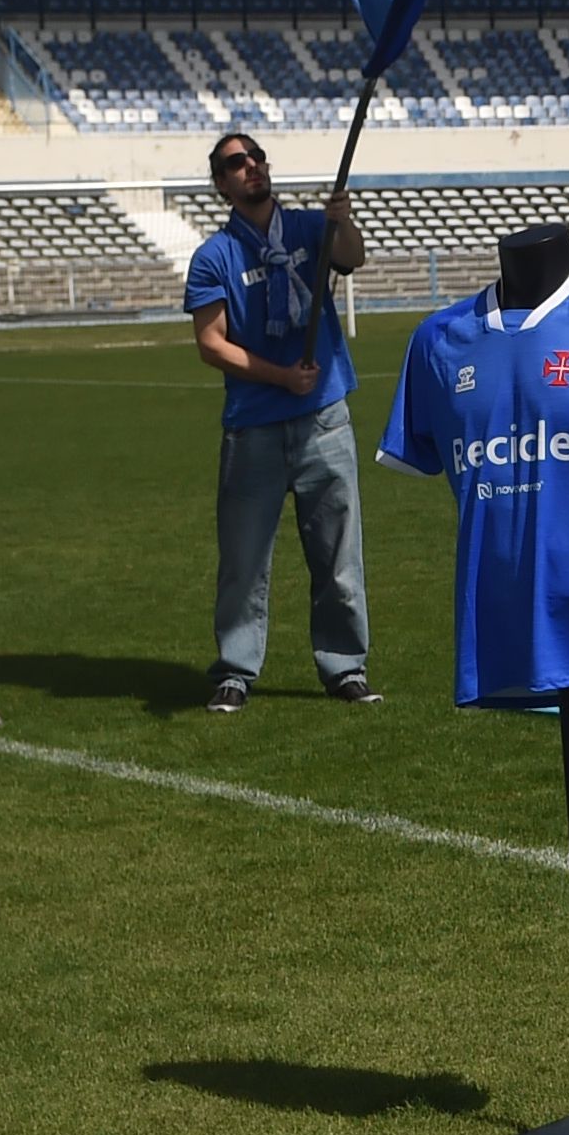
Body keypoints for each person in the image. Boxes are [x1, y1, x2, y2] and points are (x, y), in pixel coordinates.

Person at [183, 128, 374, 714]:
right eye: (236, 164)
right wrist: (279, 376)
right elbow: (212, 344)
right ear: (221, 184)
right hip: (255, 426)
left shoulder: (310, 229)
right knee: (244, 559)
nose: (252, 167)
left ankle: (345, 667)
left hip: (324, 418)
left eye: (256, 157)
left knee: (339, 554)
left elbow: (352, 257)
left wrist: (340, 219)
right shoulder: (215, 256)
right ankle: (237, 669)